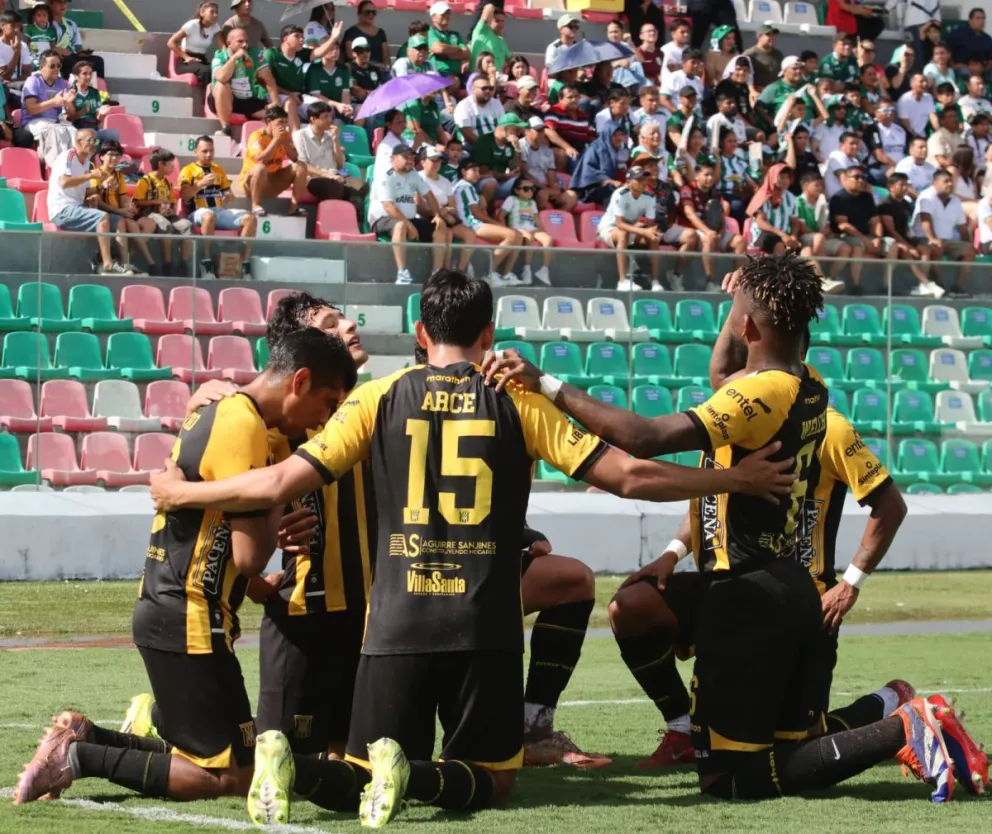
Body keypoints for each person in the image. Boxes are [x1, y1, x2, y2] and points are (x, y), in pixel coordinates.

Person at [144, 268, 800, 826]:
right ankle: (418, 775)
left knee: (360, 770)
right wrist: (734, 478)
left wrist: (182, 492)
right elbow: (629, 476)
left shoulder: (374, 399)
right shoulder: (517, 401)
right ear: (488, 335)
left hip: (393, 624)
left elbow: (279, 481)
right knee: (492, 779)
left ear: (419, 332)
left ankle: (299, 768)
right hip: (482, 624)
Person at [480, 252, 986, 805]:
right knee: (792, 754)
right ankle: (898, 716)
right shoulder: (807, 383)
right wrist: (737, 304)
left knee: (731, 782)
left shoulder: (763, 395)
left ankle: (907, 726)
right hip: (788, 588)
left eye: (738, 315)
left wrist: (545, 382)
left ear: (749, 327)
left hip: (745, 598)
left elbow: (644, 438)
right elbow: (725, 376)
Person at [13, 330, 361, 817]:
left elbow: (215, 529)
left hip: (178, 607)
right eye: (327, 403)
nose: (324, 419)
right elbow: (248, 556)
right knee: (228, 777)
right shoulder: (245, 425)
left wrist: (268, 522)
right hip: (189, 614)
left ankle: (88, 736)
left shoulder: (225, 411)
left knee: (235, 760)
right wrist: (276, 498)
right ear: (299, 381)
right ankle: (79, 756)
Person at [607, 301, 910, 769]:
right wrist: (673, 550)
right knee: (630, 607)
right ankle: (683, 728)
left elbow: (891, 505)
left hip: (797, 601)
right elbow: (716, 496)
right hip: (728, 589)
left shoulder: (825, 425)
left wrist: (850, 583)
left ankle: (891, 707)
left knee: (791, 750)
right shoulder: (738, 411)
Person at [45, 130, 126, 274]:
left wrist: (102, 187)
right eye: (91, 141)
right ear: (78, 141)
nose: (95, 144)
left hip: (78, 207)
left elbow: (85, 193)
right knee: (103, 218)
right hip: (62, 210)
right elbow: (64, 183)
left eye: (96, 141)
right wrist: (90, 175)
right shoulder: (68, 156)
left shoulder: (87, 162)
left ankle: (125, 264)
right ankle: (107, 264)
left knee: (119, 221)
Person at [179, 135, 257, 280]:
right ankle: (206, 263)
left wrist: (229, 196)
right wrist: (200, 184)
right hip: (197, 213)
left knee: (250, 218)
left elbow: (227, 193)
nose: (209, 154)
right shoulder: (188, 170)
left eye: (211, 151)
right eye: (204, 151)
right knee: (209, 215)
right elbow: (184, 195)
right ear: (195, 152)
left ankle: (244, 264)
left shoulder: (218, 170)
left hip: (219, 212)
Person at [369, 143, 448, 284]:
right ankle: (402, 273)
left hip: (407, 219)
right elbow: (388, 207)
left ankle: (436, 274)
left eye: (412, 158)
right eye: (406, 158)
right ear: (394, 158)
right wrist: (408, 225)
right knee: (401, 226)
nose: (410, 161)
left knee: (439, 228)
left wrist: (437, 215)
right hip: (383, 219)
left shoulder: (413, 175)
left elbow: (429, 195)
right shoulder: (385, 175)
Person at [86, 138, 156, 275]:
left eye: (117, 155)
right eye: (111, 154)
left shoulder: (119, 176)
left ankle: (126, 261)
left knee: (144, 224)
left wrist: (129, 206)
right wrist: (120, 211)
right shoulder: (96, 174)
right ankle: (128, 263)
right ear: (101, 156)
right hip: (104, 214)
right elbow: (97, 201)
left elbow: (123, 197)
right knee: (124, 222)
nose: (114, 158)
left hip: (118, 212)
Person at [677, 159, 745, 288]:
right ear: (696, 176)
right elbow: (690, 214)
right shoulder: (688, 189)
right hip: (693, 232)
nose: (710, 178)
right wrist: (708, 232)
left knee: (740, 241)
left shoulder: (715, 193)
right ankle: (710, 281)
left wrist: (721, 232)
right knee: (708, 240)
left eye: (712, 175)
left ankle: (738, 282)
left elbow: (721, 216)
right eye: (706, 175)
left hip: (713, 232)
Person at [453, 159, 523, 284]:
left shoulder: (466, 187)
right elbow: (477, 214)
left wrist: (481, 198)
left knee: (518, 235)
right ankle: (488, 274)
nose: (477, 174)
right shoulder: (465, 186)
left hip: (474, 222)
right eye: (474, 171)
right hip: (470, 224)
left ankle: (505, 274)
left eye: (478, 171)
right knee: (512, 235)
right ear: (463, 171)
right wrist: (496, 223)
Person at [596, 165, 664, 291]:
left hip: (630, 228)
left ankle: (655, 281)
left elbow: (650, 225)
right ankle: (622, 281)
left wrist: (653, 232)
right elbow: (620, 224)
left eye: (644, 179)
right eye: (638, 179)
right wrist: (644, 231)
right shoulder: (620, 194)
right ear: (628, 181)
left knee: (653, 238)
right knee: (623, 233)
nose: (643, 182)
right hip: (608, 229)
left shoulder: (650, 197)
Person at [910, 167, 975, 295]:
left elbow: (962, 227)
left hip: (946, 241)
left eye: (951, 181)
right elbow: (925, 219)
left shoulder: (955, 201)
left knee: (969, 250)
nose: (950, 184)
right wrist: (933, 239)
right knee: (936, 246)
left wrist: (968, 244)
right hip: (923, 238)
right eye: (946, 181)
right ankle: (935, 284)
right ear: (935, 183)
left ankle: (957, 286)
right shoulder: (926, 196)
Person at [263, 24, 339, 132]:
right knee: (290, 102)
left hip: (297, 96)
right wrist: (289, 94)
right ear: (285, 38)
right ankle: (296, 137)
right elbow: (266, 81)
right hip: (274, 95)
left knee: (324, 108)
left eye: (302, 36)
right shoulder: (271, 54)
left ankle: (325, 138)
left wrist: (333, 38)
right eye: (297, 36)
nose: (302, 39)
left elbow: (319, 52)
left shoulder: (301, 53)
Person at [877, 171, 942, 296]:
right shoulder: (885, 204)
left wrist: (912, 241)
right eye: (901, 185)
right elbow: (891, 230)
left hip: (904, 237)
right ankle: (925, 282)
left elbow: (905, 226)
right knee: (907, 251)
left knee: (925, 249)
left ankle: (921, 286)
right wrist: (909, 246)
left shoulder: (905, 204)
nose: (905, 188)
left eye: (906, 185)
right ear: (890, 186)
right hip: (890, 239)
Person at [132, 148, 194, 277]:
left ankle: (184, 264)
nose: (173, 167)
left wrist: (170, 209)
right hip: (149, 213)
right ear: (161, 164)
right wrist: (157, 202)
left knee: (186, 225)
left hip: (166, 214)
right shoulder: (145, 181)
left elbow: (171, 202)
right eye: (170, 163)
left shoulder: (168, 184)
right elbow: (138, 202)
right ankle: (167, 264)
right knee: (165, 225)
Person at [293, 101, 365, 210]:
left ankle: (353, 213)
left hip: (335, 176)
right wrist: (327, 175)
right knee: (335, 187)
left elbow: (340, 165)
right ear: (313, 119)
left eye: (330, 116)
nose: (330, 120)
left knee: (362, 185)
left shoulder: (330, 135)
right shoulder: (300, 135)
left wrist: (335, 140)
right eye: (325, 117)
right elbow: (302, 165)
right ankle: (341, 212)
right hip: (313, 179)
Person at [239, 105, 309, 217]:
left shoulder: (286, 136)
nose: (284, 126)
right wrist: (276, 140)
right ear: (269, 121)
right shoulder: (257, 136)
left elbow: (294, 158)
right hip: (252, 182)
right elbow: (262, 160)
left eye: (285, 122)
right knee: (260, 168)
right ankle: (256, 205)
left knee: (301, 166)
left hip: (273, 180)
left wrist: (283, 141)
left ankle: (293, 208)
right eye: (280, 122)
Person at [209, 26, 277, 138]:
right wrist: (234, 58)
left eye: (246, 41)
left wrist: (275, 102)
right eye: (240, 41)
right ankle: (225, 129)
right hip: (225, 99)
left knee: (276, 116)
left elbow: (268, 79)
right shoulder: (219, 57)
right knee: (222, 85)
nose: (245, 45)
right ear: (229, 43)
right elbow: (222, 77)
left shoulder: (254, 54)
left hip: (247, 99)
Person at [829, 164, 884, 293]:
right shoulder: (839, 198)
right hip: (847, 236)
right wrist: (865, 240)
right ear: (846, 178)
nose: (861, 180)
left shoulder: (867, 197)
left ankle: (886, 287)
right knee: (858, 246)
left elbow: (876, 220)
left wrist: (878, 238)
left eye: (863, 178)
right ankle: (855, 285)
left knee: (892, 245)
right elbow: (843, 225)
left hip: (868, 236)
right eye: (856, 177)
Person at [421, 147, 476, 273]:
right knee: (447, 233)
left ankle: (459, 271)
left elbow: (453, 208)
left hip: (446, 217)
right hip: (428, 217)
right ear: (423, 162)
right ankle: (440, 271)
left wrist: (444, 211)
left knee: (470, 234)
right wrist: (440, 212)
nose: (436, 163)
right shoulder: (418, 178)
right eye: (433, 160)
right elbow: (419, 206)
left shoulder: (445, 181)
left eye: (438, 160)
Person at [795, 171, 851, 289]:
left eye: (822, 185)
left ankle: (830, 278)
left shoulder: (822, 203)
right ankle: (818, 278)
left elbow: (826, 225)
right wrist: (820, 233)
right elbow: (802, 228)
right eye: (817, 185)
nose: (820, 188)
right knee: (818, 238)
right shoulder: (798, 202)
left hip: (820, 237)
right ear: (806, 185)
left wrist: (827, 231)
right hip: (805, 238)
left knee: (845, 248)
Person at [20, 50, 74, 168]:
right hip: (33, 122)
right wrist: (53, 102)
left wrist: (69, 104)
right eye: (52, 66)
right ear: (41, 67)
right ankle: (58, 168)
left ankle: (74, 167)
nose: (56, 69)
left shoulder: (63, 83)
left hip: (55, 122)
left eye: (58, 66)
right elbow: (31, 109)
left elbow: (69, 115)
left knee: (73, 131)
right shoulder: (33, 81)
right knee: (54, 131)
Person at [498, 176, 553, 285]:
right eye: (526, 189)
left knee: (548, 239)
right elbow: (501, 216)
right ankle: (526, 270)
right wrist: (507, 231)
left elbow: (536, 219)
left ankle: (544, 270)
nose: (530, 191)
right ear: (516, 190)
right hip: (517, 228)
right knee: (529, 236)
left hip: (531, 228)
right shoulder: (511, 199)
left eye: (532, 189)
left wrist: (543, 231)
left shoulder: (532, 203)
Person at [518, 116, 578, 212]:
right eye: (538, 130)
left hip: (544, 187)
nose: (542, 133)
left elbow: (551, 176)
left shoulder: (547, 150)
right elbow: (524, 174)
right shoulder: (521, 145)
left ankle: (557, 217)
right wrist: (546, 189)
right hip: (528, 185)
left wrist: (555, 187)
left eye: (543, 130)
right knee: (543, 194)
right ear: (527, 131)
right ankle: (540, 219)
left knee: (571, 196)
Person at [747, 164, 806, 255]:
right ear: (773, 178)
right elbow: (761, 222)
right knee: (779, 246)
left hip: (784, 235)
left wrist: (793, 236)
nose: (785, 181)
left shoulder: (791, 197)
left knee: (804, 249)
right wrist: (782, 234)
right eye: (781, 178)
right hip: (763, 234)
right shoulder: (763, 196)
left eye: (787, 177)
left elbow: (794, 221)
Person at [571, 122, 629, 207]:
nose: (619, 138)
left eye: (620, 135)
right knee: (612, 189)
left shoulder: (617, 151)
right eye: (615, 135)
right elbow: (589, 172)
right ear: (607, 136)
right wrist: (611, 182)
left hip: (611, 186)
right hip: (591, 190)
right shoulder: (594, 149)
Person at [168, 1, 224, 87]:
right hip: (186, 63)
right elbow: (171, 42)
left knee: (218, 70)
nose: (215, 15)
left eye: (216, 12)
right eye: (212, 12)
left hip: (201, 60)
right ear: (202, 13)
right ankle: (207, 95)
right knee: (206, 71)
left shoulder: (215, 27)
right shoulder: (192, 25)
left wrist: (229, 59)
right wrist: (186, 57)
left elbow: (222, 47)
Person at [473, 112, 524, 205]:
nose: (518, 133)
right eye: (516, 130)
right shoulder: (485, 141)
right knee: (491, 183)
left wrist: (517, 149)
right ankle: (485, 212)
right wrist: (504, 176)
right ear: (506, 128)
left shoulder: (509, 144)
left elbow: (515, 169)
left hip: (502, 181)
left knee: (525, 184)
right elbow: (483, 171)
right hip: (482, 181)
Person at [63, 60, 116, 145]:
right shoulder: (69, 93)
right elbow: (68, 118)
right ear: (76, 76)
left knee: (113, 135)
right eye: (84, 74)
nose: (88, 76)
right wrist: (82, 111)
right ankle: (94, 149)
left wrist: (101, 113)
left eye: (90, 74)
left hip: (93, 126)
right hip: (79, 128)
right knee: (95, 140)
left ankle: (102, 151)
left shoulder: (94, 92)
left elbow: (98, 117)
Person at [303, 37, 353, 122]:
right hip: (322, 108)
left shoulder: (343, 69)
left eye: (337, 48)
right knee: (333, 117)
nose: (335, 52)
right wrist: (337, 105)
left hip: (339, 107)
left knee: (358, 109)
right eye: (331, 48)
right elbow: (316, 95)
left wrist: (347, 107)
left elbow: (345, 94)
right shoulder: (314, 69)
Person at [544, 84, 596, 162]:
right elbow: (549, 131)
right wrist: (567, 148)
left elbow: (591, 136)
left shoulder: (584, 115)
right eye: (570, 97)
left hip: (583, 150)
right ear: (560, 99)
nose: (574, 100)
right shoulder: (554, 111)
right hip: (565, 151)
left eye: (576, 96)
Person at [454, 74, 505, 147]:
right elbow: (467, 134)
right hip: (474, 146)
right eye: (484, 88)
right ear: (473, 89)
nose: (488, 91)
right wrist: (487, 146)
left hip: (497, 144)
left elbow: (503, 127)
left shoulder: (496, 103)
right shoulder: (463, 105)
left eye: (490, 88)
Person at [865, 98, 908, 178]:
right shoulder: (873, 129)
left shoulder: (901, 129)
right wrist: (897, 168)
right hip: (882, 168)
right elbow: (879, 155)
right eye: (886, 110)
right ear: (877, 113)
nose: (890, 113)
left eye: (892, 110)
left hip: (900, 167)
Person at [343, 0, 389, 66]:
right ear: (359, 14)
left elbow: (386, 57)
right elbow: (351, 56)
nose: (371, 14)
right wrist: (374, 65)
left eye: (373, 12)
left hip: (379, 70)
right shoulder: (351, 32)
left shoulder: (381, 33)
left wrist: (385, 67)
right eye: (367, 12)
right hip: (358, 69)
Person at [471, 4, 510, 81]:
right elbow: (489, 7)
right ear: (489, 22)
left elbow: (510, 59)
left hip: (498, 78)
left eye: (503, 21)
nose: (501, 24)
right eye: (497, 21)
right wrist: (494, 8)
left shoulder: (501, 40)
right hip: (480, 77)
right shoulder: (481, 32)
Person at [825, 131, 864, 198]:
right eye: (852, 143)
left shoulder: (855, 161)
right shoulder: (836, 155)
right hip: (838, 199)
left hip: (851, 196)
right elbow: (844, 181)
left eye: (857, 144)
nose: (855, 146)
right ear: (841, 145)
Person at [743, 25, 783, 91]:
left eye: (773, 35)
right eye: (769, 35)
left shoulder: (778, 54)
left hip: (776, 92)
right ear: (759, 36)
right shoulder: (749, 55)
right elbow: (743, 76)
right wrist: (753, 90)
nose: (772, 38)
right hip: (757, 93)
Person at [347, 36, 382, 109]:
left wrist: (366, 93)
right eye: (360, 50)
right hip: (357, 105)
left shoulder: (376, 69)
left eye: (367, 50)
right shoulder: (349, 67)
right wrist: (374, 93)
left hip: (376, 104)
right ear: (354, 53)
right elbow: (357, 92)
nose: (365, 53)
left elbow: (381, 91)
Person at [897, 73, 936, 138]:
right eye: (921, 81)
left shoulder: (928, 97)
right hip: (908, 136)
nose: (925, 84)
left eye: (926, 81)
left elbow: (933, 117)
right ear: (912, 84)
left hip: (923, 135)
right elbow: (905, 123)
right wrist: (916, 137)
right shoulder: (904, 100)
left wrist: (939, 132)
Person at [637, 21, 663, 86]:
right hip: (644, 86)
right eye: (649, 31)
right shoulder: (637, 52)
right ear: (641, 36)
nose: (652, 33)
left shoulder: (660, 53)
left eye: (654, 31)